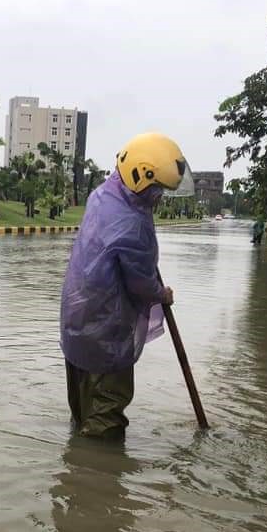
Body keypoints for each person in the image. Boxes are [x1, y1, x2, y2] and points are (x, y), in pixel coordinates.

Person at [60, 132, 187, 439]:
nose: (158, 197)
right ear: (140, 177)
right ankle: (100, 477)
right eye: (157, 188)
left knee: (82, 406)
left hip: (76, 320)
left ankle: (76, 468)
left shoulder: (102, 195)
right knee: (106, 417)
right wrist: (161, 294)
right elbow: (141, 283)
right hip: (106, 329)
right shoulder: (133, 223)